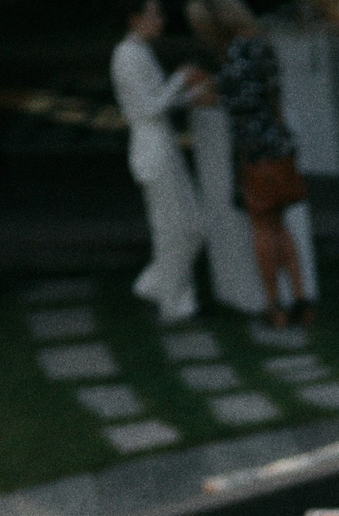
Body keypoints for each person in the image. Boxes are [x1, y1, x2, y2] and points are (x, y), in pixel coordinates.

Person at [186, 0, 310, 328]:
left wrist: (212, 91)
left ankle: (274, 306)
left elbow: (238, 100)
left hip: (255, 153)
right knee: (282, 225)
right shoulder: (261, 46)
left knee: (263, 227)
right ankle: (301, 300)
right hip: (280, 145)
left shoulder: (237, 54)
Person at [111, 0, 209, 327]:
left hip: (165, 146)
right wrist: (180, 80)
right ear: (135, 17)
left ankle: (152, 285)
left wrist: (190, 95)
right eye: (154, 13)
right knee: (173, 230)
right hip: (152, 150)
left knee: (192, 225)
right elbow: (149, 109)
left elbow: (160, 102)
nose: (161, 19)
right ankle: (174, 302)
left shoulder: (141, 52)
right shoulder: (125, 56)